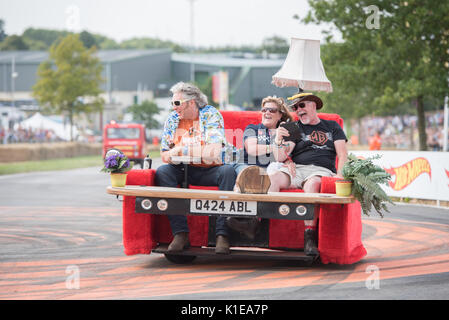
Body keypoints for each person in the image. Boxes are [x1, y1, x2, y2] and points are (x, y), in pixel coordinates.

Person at [155, 82, 236, 254]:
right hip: (184, 169)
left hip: (211, 169)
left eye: (177, 103)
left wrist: (181, 150)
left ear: (191, 102)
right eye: (172, 103)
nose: (174, 107)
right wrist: (182, 153)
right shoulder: (172, 119)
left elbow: (213, 152)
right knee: (163, 171)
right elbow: (164, 155)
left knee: (228, 172)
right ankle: (180, 233)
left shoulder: (210, 114)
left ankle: (222, 234)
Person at [268, 92, 348, 256]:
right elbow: (281, 157)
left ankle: (309, 236)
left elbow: (343, 154)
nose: (298, 110)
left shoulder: (332, 126)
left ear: (313, 105)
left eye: (302, 106)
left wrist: (340, 175)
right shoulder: (294, 127)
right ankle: (263, 224)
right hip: (296, 168)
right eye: (295, 107)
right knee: (272, 178)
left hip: (320, 169)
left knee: (312, 185)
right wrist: (277, 141)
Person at [228, 96, 294, 239]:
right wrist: (275, 145)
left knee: (264, 178)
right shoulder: (253, 128)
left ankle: (251, 223)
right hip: (245, 163)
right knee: (247, 175)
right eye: (264, 109)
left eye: (272, 110)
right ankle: (239, 219)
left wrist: (282, 151)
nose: (266, 112)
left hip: (267, 170)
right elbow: (251, 150)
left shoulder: (284, 133)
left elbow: (281, 156)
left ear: (280, 115)